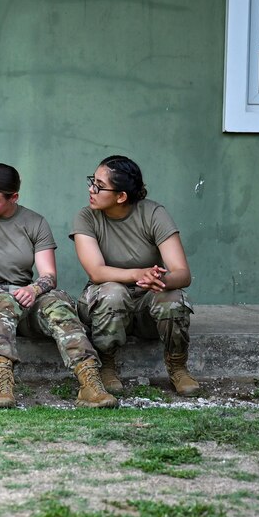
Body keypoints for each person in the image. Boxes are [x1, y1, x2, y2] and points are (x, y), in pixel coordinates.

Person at [0, 164, 117, 409]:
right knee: (1, 300)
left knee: (57, 304)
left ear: (14, 197)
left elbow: (48, 275)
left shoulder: (34, 222)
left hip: (24, 295)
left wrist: (33, 290)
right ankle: (2, 384)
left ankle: (90, 382)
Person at [70, 155, 199, 396]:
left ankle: (178, 365)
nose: (91, 189)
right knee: (113, 292)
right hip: (104, 302)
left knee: (172, 297)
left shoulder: (153, 213)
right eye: (92, 181)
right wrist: (139, 274)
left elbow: (182, 273)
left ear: (121, 197)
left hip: (145, 304)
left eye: (99, 185)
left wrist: (158, 280)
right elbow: (97, 272)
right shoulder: (86, 217)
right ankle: (107, 365)